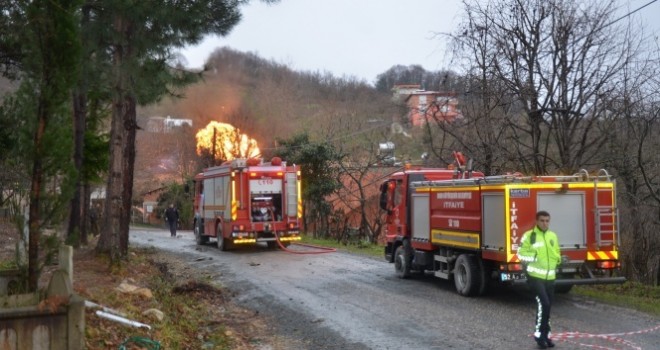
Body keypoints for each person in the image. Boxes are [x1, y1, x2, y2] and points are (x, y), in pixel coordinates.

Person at [517, 210, 561, 349]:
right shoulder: (529, 236)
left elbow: (556, 252)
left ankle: (546, 336)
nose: (545, 223)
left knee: (547, 307)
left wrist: (558, 259)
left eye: (547, 221)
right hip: (535, 277)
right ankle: (539, 336)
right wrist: (534, 257)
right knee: (544, 304)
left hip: (550, 277)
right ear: (536, 221)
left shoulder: (552, 236)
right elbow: (520, 254)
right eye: (542, 220)